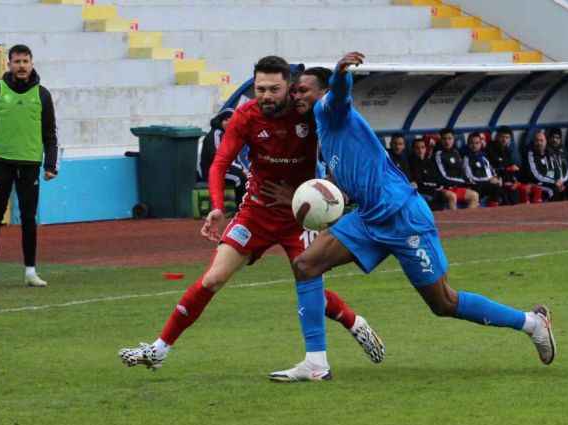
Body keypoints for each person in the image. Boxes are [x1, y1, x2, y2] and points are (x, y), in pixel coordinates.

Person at [272, 51, 556, 382]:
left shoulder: (329, 109)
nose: (297, 96)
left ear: (321, 92)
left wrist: (341, 73)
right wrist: (307, 201)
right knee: (306, 266)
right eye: (294, 92)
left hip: (403, 215)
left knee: (444, 303)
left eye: (303, 90)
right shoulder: (325, 130)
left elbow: (340, 93)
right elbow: (340, 187)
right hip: (369, 218)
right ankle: (316, 363)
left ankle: (532, 323)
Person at [119, 58, 384, 374]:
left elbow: (338, 160)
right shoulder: (245, 116)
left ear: (290, 87)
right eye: (260, 89)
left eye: (274, 89)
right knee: (214, 278)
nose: (267, 95)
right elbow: (219, 163)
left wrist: (323, 198)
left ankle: (349, 328)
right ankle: (159, 349)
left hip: (301, 216)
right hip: (256, 211)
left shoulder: (310, 116)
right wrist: (217, 206)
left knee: (309, 283)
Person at [0, 44, 58, 289]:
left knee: (29, 219)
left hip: (30, 163)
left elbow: (50, 133)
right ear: (8, 64)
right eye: (17, 61)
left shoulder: (43, 95)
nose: (21, 66)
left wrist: (51, 164)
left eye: (25, 61)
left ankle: (30, 271)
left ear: (32, 63)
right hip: (0, 163)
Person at [197, 108, 249, 206]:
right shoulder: (216, 134)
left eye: (232, 119)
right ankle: (241, 208)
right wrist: (240, 170)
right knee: (239, 178)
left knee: (248, 177)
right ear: (220, 121)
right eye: (226, 120)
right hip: (211, 171)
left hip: (226, 169)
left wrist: (244, 170)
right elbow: (218, 158)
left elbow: (237, 158)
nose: (229, 122)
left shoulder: (232, 135)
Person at [434, 128, 479, 209]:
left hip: (456, 187)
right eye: (444, 139)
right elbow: (443, 176)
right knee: (452, 196)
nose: (447, 141)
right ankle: (454, 220)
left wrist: (467, 182)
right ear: (441, 140)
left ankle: (468, 219)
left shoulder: (456, 153)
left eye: (449, 138)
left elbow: (462, 171)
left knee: (474, 195)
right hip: (444, 188)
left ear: (453, 139)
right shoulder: (438, 154)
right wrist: (462, 182)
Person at [408, 137, 456, 210]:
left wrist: (436, 186)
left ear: (425, 149)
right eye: (417, 148)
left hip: (433, 191)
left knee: (450, 195)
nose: (420, 150)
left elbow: (436, 180)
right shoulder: (410, 163)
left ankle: (454, 218)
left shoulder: (430, 162)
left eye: (422, 147)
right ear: (413, 149)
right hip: (422, 193)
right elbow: (417, 182)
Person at [463, 133, 502, 207]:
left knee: (499, 184)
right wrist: (488, 180)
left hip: (486, 183)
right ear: (468, 144)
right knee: (494, 187)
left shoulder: (483, 157)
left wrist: (496, 178)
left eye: (477, 143)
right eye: (472, 143)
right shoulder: (467, 158)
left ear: (481, 144)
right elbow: (469, 177)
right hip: (475, 185)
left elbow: (491, 170)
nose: (474, 145)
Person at [546, 128, 568, 201]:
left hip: (562, 181)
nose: (555, 140)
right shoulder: (546, 152)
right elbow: (547, 171)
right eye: (553, 137)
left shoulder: (563, 152)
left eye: (557, 138)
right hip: (551, 182)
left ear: (560, 139)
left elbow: (566, 169)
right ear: (549, 138)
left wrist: (562, 181)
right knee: (556, 191)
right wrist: (555, 182)